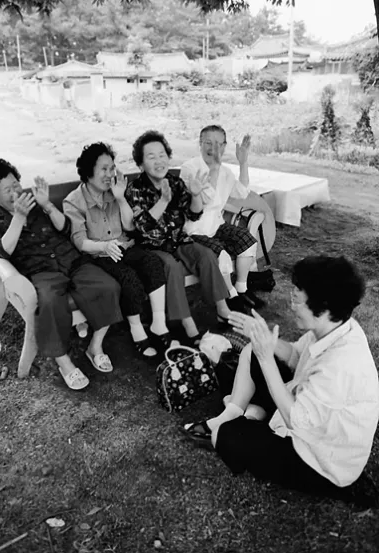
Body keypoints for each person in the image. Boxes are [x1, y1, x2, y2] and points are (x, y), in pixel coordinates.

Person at [183, 256, 379, 497]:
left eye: (297, 299)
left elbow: (296, 421)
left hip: (322, 461)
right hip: (306, 413)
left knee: (228, 437)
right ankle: (233, 413)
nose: (292, 305)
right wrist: (265, 339)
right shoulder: (336, 326)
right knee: (252, 352)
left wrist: (267, 359)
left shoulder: (340, 366)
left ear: (324, 307)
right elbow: (296, 355)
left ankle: (241, 420)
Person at [0, 158, 123, 390]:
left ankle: (95, 346)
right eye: (7, 189)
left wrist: (47, 205)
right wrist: (18, 217)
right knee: (48, 301)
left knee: (108, 286)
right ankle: (64, 363)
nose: (16, 190)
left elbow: (65, 228)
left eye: (16, 183)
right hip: (39, 272)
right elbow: (0, 250)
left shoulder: (36, 202)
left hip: (71, 260)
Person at [63, 142, 174, 358]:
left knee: (152, 263)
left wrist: (121, 198)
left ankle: (158, 325)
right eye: (103, 169)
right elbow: (80, 242)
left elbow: (130, 227)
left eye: (111, 168)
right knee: (128, 278)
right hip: (98, 254)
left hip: (123, 245)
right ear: (88, 172)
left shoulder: (116, 191)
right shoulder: (73, 201)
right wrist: (104, 246)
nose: (109, 174)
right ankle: (137, 331)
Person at [126, 130, 232, 345]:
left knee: (206, 255)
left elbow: (194, 213)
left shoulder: (175, 183)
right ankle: (187, 323)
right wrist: (163, 201)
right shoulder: (134, 190)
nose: (159, 161)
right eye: (151, 157)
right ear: (140, 164)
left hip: (177, 240)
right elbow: (141, 228)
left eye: (162, 155)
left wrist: (195, 195)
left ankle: (222, 309)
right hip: (150, 247)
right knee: (172, 268)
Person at [180, 125, 267, 310]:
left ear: (225, 146)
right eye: (208, 143)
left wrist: (243, 162)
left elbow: (242, 192)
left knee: (248, 241)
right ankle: (231, 296)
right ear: (200, 144)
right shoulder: (190, 168)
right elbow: (206, 200)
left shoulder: (226, 171)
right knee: (221, 253)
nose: (214, 148)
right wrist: (215, 168)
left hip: (216, 225)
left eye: (219, 144)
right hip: (193, 229)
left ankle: (242, 289)